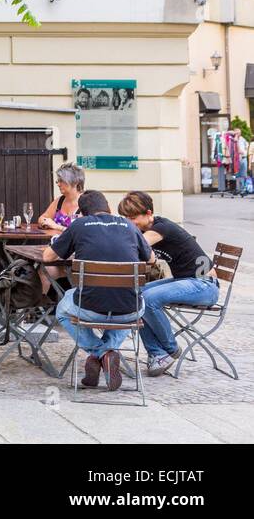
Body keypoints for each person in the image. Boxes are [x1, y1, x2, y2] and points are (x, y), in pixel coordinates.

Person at [43, 190, 153, 391]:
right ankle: (108, 353)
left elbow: (48, 257)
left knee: (62, 309)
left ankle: (100, 353)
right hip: (130, 311)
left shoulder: (79, 225)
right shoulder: (129, 225)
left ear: (83, 213)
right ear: (109, 207)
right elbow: (151, 259)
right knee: (130, 301)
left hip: (90, 308)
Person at [118, 190, 219, 376]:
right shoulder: (145, 228)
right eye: (125, 218)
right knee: (135, 295)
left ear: (148, 214)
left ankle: (170, 349)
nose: (129, 222)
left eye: (132, 217)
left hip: (204, 284)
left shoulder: (161, 228)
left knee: (147, 298)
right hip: (185, 281)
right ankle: (157, 354)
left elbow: (133, 244)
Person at [37, 163, 84, 230]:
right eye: (58, 181)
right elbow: (43, 217)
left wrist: (56, 226)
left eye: (62, 181)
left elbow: (84, 231)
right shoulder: (60, 201)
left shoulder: (86, 203)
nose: (58, 184)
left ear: (75, 182)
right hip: (56, 240)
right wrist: (45, 222)